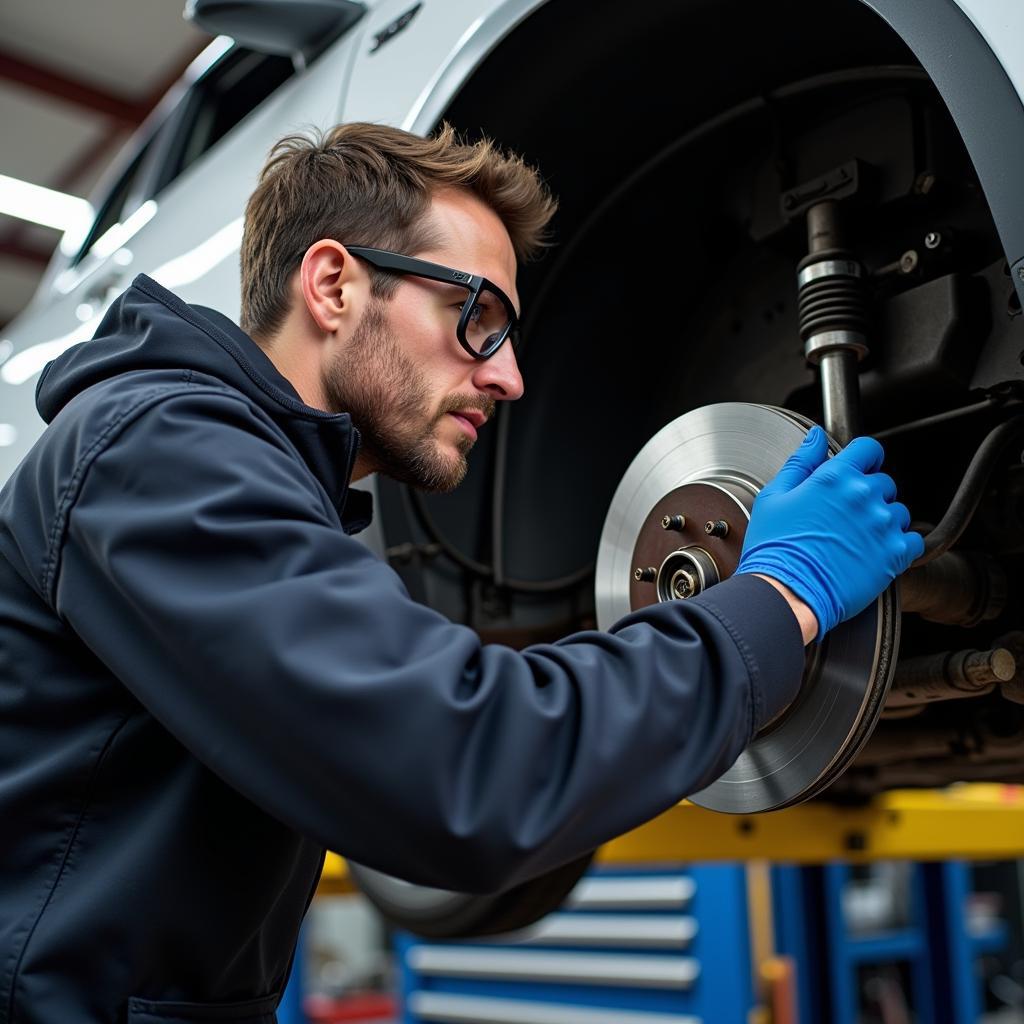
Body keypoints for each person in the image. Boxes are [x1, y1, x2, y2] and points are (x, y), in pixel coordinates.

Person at [0, 122, 922, 1020]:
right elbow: (472, 774)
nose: (511, 376)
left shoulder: (236, 473)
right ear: (333, 285)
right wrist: (779, 598)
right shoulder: (155, 452)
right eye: (475, 318)